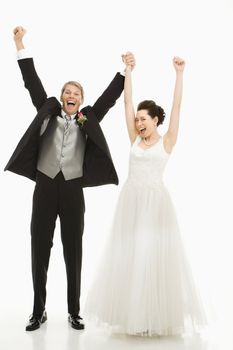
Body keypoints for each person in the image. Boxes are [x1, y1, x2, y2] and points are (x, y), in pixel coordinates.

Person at [4, 27, 135, 331]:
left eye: (76, 94)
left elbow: (109, 99)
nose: (71, 96)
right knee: (39, 246)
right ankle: (38, 310)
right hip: (46, 185)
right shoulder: (48, 110)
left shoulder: (88, 117)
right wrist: (20, 44)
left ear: (81, 100)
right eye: (68, 93)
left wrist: (124, 70)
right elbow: (31, 82)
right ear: (62, 97)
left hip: (74, 187)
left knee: (73, 249)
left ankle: (74, 311)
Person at [84, 53, 207, 336]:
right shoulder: (134, 139)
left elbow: (177, 106)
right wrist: (128, 71)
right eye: (137, 119)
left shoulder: (168, 141)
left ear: (155, 120)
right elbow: (127, 102)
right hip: (132, 203)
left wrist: (179, 75)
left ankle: (154, 318)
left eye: (144, 119)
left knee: (152, 257)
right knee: (132, 255)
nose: (139, 123)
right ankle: (134, 319)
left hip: (157, 205)